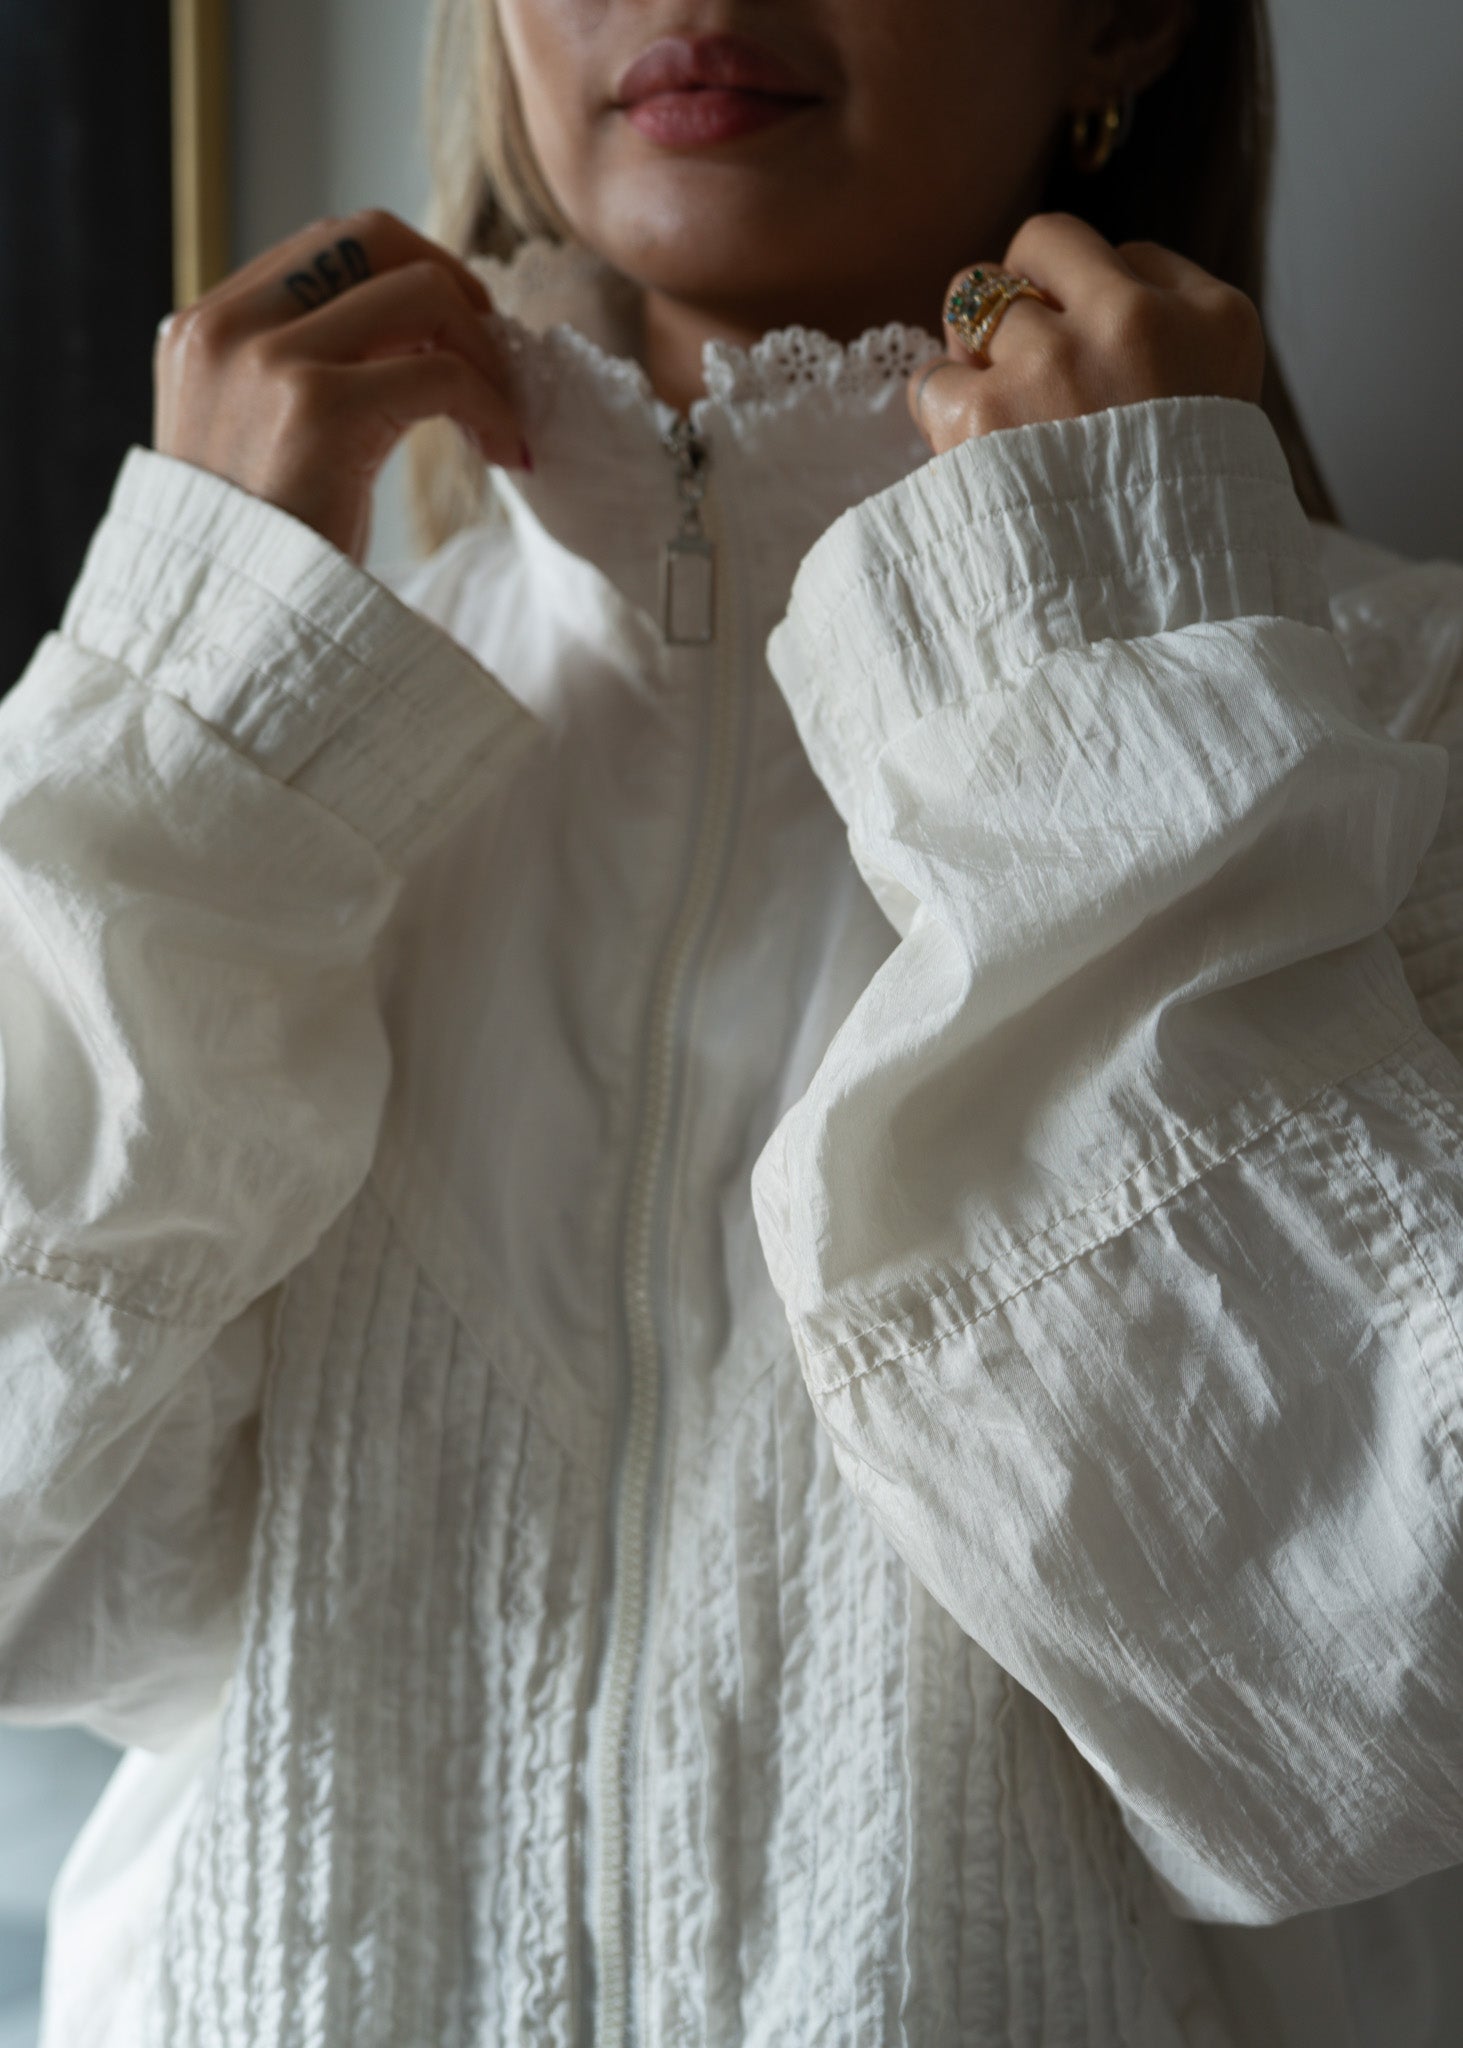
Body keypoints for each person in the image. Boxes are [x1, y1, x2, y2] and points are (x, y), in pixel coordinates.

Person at [2, 0, 1461, 2041]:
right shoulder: (274, 742)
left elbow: (1365, 1703)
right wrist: (185, 711)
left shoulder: (1392, 722)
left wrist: (1116, 692)